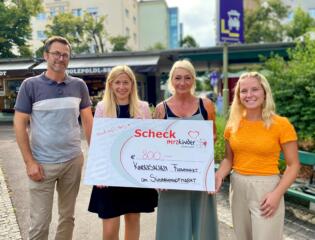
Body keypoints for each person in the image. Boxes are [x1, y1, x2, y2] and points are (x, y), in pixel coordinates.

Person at [14, 36, 93, 240]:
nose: (61, 58)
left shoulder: (79, 86)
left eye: (65, 55)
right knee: (40, 223)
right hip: (42, 164)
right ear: (46, 55)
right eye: (56, 53)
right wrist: (29, 162)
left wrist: (97, 154)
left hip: (73, 161)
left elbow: (88, 121)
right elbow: (19, 124)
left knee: (67, 217)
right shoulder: (30, 86)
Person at [215, 72, 300, 240]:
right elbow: (228, 159)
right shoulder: (233, 124)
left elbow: (293, 165)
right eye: (244, 91)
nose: (249, 95)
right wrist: (218, 175)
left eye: (255, 89)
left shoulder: (281, 125)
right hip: (237, 187)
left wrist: (276, 195)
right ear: (238, 95)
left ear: (265, 92)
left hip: (266, 188)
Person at [88, 65, 158, 240]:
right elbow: (98, 143)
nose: (121, 87)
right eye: (117, 82)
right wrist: (99, 173)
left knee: (133, 220)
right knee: (110, 230)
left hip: (133, 174)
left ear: (132, 84)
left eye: (125, 82)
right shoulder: (103, 108)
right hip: (109, 176)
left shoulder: (142, 108)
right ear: (110, 85)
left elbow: (148, 142)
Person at [154, 59, 219, 240]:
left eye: (187, 78)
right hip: (170, 178)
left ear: (194, 80)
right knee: (171, 227)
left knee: (203, 227)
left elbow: (213, 137)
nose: (182, 83)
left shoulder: (206, 106)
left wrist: (200, 150)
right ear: (171, 81)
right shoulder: (161, 109)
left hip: (199, 175)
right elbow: (156, 146)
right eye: (178, 78)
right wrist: (159, 177)